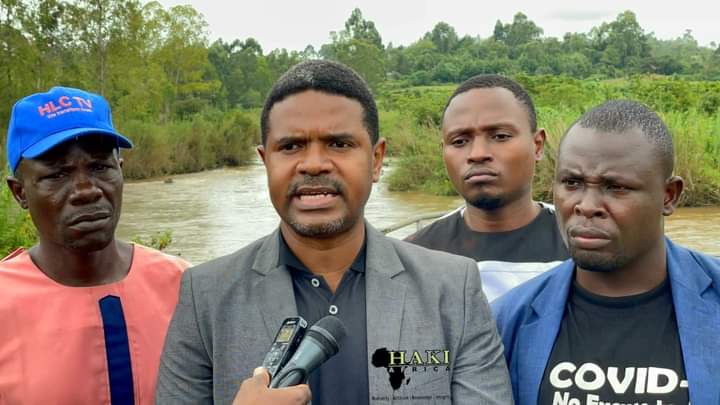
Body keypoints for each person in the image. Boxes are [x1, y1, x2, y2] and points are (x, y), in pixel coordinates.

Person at [156, 60, 512, 404]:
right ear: (265, 162)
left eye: (339, 144)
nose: (313, 164)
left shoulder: (451, 290)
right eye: (291, 146)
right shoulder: (206, 297)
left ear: (376, 160)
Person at [492, 100, 720, 404]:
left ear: (669, 196)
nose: (586, 206)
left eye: (616, 187)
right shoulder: (508, 320)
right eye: (572, 183)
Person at [0, 87, 190, 403]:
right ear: (20, 192)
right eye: (58, 173)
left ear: (121, 171)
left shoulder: (184, 287)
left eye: (100, 167)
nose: (86, 190)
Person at [406, 75, 568, 301]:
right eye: (460, 141)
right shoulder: (415, 257)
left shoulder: (582, 246)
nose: (477, 154)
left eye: (500, 136)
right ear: (443, 151)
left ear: (537, 145)